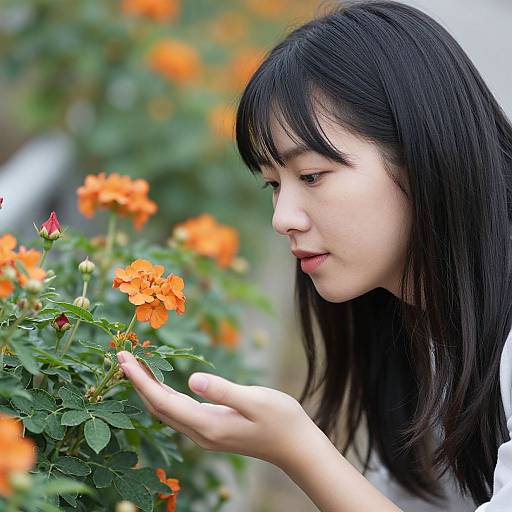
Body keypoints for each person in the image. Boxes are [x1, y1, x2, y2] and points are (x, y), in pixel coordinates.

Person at [116, 1, 512, 510]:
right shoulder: (419, 324)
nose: (283, 218)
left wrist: (298, 450)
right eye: (273, 185)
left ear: (422, 150)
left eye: (311, 176)